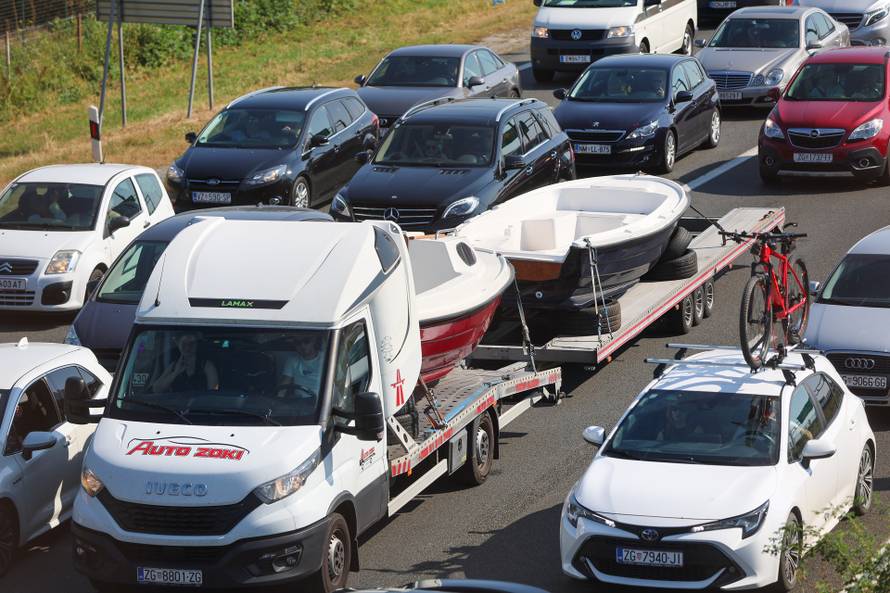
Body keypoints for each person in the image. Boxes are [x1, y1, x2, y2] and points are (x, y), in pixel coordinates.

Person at [152, 333, 219, 393]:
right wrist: (175, 373)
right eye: (184, 344)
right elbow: (156, 389)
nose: (187, 347)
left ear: (197, 344)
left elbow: (213, 393)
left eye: (191, 343)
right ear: (178, 344)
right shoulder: (173, 366)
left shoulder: (207, 366)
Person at [280, 334, 325, 398]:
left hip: (320, 403)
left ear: (314, 341)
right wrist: (277, 401)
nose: (302, 345)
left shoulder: (327, 359)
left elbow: (339, 384)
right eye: (298, 343)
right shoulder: (292, 360)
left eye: (306, 341)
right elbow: (284, 385)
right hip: (299, 404)